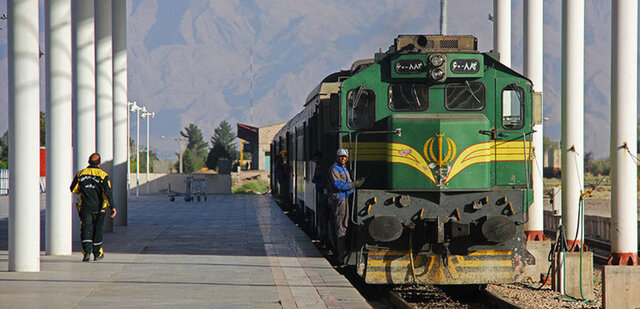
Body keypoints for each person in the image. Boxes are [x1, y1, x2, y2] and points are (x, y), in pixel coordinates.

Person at [70, 153, 117, 262]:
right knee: (97, 230)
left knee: (86, 229)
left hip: (85, 207)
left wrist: (84, 191)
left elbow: (73, 189)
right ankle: (97, 253)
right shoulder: (103, 175)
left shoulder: (81, 174)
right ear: (99, 163)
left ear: (88, 162)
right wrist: (112, 207)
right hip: (99, 208)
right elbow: (108, 192)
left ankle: (86, 253)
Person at [327, 148, 363, 265]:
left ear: (347, 158)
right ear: (337, 157)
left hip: (346, 198)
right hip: (339, 200)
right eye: (341, 156)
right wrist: (353, 184)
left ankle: (344, 252)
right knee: (341, 226)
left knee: (345, 225)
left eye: (344, 157)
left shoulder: (344, 169)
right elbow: (338, 184)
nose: (343, 158)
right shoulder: (334, 169)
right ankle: (341, 255)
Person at [311, 151, 328, 240]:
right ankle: (321, 233)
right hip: (320, 192)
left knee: (322, 214)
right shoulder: (319, 166)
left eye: (317, 159)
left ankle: (322, 234)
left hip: (323, 193)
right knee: (321, 214)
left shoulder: (322, 167)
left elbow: (316, 178)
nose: (316, 161)